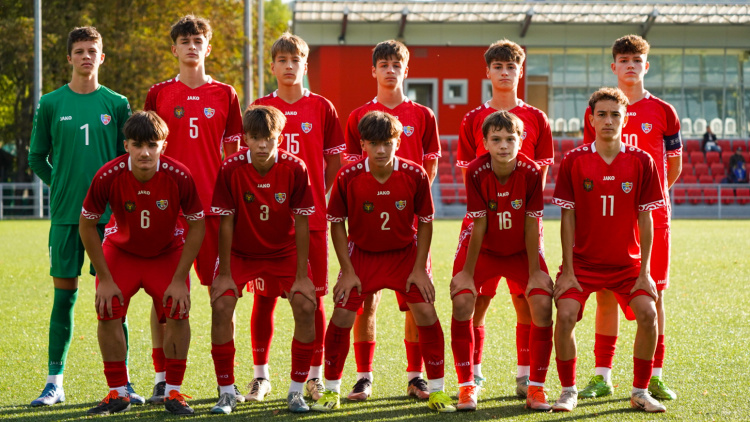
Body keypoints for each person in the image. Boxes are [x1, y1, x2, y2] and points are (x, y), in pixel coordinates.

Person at [27, 26, 141, 406]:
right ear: (70, 58)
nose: (86, 56)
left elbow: (129, 157)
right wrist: (59, 183)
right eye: (79, 50)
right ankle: (54, 382)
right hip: (65, 216)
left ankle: (122, 385)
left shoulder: (118, 103)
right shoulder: (51, 103)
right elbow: (35, 157)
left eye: (93, 50)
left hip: (110, 220)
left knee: (113, 301)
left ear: (102, 57)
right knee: (65, 298)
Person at [312, 111, 454, 413]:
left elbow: (426, 221)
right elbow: (336, 222)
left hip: (405, 255)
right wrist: (347, 271)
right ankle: (332, 391)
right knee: (342, 316)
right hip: (362, 256)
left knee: (426, 312)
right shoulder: (348, 176)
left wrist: (420, 268)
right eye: (373, 143)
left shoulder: (414, 174)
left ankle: (438, 391)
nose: (380, 150)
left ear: (398, 142)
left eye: (387, 143)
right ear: (362, 144)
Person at [144, 14, 244, 403]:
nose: (191, 46)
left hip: (214, 213)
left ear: (208, 46)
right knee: (165, 301)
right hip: (170, 214)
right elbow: (146, 152)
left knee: (223, 296)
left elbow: (234, 157)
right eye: (184, 40)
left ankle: (227, 382)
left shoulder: (225, 94)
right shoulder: (159, 94)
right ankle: (162, 378)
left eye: (197, 40)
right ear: (174, 49)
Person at [80, 111, 205, 415]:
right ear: (126, 145)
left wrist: (180, 278)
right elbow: (86, 225)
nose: (145, 152)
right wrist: (105, 279)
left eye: (152, 144)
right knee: (107, 309)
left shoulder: (179, 175)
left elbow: (198, 225)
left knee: (178, 310)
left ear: (164, 144)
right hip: (123, 253)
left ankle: (173, 392)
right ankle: (118, 392)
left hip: (166, 253)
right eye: (138, 145)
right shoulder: (108, 175)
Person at [552, 87, 666, 413]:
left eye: (615, 114)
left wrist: (644, 272)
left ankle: (640, 391)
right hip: (583, 264)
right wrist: (568, 270)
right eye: (601, 114)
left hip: (626, 265)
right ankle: (568, 390)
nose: (608, 120)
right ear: (591, 119)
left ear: (625, 118)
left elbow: (647, 220)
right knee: (567, 314)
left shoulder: (641, 161)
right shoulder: (574, 160)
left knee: (648, 313)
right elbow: (567, 219)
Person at [581, 34, 682, 401]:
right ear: (613, 66)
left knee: (654, 295)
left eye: (636, 60)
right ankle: (602, 375)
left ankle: (654, 375)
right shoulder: (601, 108)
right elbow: (589, 160)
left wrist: (648, 199)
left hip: (651, 219)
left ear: (646, 66)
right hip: (609, 219)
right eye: (623, 60)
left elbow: (674, 163)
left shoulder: (664, 112)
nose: (630, 66)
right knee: (606, 294)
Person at [454, 39, 554, 397]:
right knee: (476, 299)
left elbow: (539, 173)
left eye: (511, 66)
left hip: (523, 218)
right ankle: (474, 374)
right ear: (488, 72)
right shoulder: (472, 119)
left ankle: (526, 376)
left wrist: (525, 207)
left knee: (527, 299)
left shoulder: (537, 118)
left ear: (520, 70)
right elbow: (469, 172)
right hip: (482, 220)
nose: (505, 72)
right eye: (498, 67)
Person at [342, 39, 441, 402]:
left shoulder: (423, 115)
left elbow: (429, 166)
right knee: (364, 302)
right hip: (368, 224)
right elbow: (351, 169)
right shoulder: (357, 116)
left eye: (396, 64)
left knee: (416, 300)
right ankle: (363, 377)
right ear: (373, 70)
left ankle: (416, 377)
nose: (389, 69)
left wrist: (410, 204)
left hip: (410, 225)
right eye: (383, 64)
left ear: (405, 69)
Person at [249, 32, 345, 402]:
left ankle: (313, 376)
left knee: (312, 297)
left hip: (312, 220)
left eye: (296, 61)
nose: (289, 67)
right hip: (266, 222)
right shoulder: (259, 106)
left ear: (306, 66)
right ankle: (261, 376)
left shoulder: (322, 107)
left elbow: (335, 161)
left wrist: (319, 198)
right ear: (272, 66)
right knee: (265, 299)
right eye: (282, 61)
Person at [209, 105, 317, 414]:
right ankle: (227, 392)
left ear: (280, 137)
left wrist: (301, 276)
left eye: (268, 137)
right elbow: (225, 222)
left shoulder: (295, 168)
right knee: (221, 303)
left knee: (306, 304)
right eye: (255, 137)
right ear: (244, 138)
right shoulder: (230, 168)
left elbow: (302, 222)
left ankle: (296, 391)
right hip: (241, 252)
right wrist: (226, 273)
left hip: (283, 251)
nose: (262, 145)